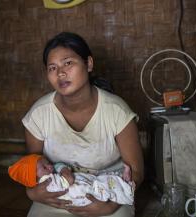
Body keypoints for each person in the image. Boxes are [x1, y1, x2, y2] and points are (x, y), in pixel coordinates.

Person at [22, 32, 144, 217]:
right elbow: (33, 167)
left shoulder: (116, 111)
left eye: (68, 63)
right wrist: (32, 192)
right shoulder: (39, 115)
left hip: (109, 191)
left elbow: (136, 171)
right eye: (52, 67)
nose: (60, 73)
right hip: (60, 194)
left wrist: (110, 206)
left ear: (89, 64)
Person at [8, 154, 135, 207]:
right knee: (104, 187)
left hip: (82, 190)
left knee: (104, 182)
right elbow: (69, 179)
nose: (50, 166)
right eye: (45, 167)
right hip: (82, 192)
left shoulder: (44, 180)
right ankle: (126, 186)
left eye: (48, 163)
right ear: (35, 178)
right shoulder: (47, 183)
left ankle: (123, 181)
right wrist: (62, 168)